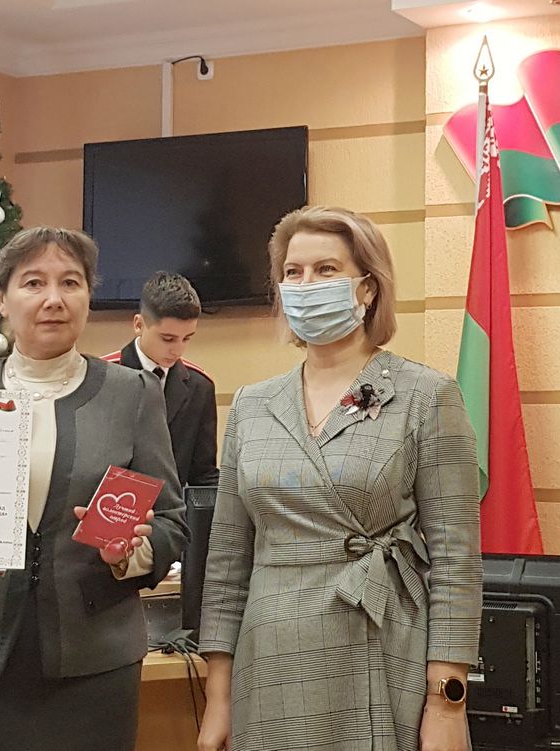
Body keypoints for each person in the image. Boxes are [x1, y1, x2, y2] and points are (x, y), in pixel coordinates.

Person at [0, 227, 188, 751]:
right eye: (33, 283)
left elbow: (170, 521)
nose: (53, 299)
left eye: (70, 282)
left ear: (88, 296)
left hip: (93, 667)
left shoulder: (133, 395)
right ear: (2, 297)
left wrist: (129, 553)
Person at [196, 206, 482, 751]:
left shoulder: (425, 396)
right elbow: (228, 561)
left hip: (379, 650)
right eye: (293, 272)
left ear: (367, 288)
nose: (306, 285)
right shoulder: (252, 405)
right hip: (269, 661)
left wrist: (448, 703)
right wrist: (218, 695)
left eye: (326, 269)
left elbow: (456, 559)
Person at [104, 271, 219, 487]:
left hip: (173, 506)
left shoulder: (200, 386)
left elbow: (203, 475)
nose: (178, 350)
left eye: (187, 338)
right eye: (168, 339)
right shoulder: (101, 377)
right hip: (112, 502)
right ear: (139, 324)